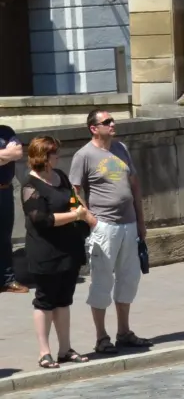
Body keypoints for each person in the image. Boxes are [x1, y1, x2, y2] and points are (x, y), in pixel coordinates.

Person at [70, 109, 150, 355]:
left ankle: (124, 331)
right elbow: (73, 192)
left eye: (112, 120)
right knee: (102, 281)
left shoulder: (121, 149)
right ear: (94, 128)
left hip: (128, 224)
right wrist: (90, 218)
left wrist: (140, 219)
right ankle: (101, 336)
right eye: (107, 121)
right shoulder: (84, 155)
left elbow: (134, 185)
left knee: (129, 279)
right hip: (104, 225)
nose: (113, 124)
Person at [21, 136, 89, 369]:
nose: (58, 156)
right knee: (45, 300)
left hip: (68, 247)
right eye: (54, 153)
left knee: (64, 299)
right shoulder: (30, 185)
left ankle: (65, 349)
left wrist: (80, 211)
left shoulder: (60, 175)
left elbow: (71, 199)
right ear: (43, 157)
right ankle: (44, 352)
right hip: (45, 250)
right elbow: (41, 219)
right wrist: (75, 215)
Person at [0, 119, 23, 293]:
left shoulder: (6, 131)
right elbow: (11, 154)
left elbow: (18, 153)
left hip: (5, 191)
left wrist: (5, 156)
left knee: (5, 237)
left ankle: (8, 280)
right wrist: (6, 154)